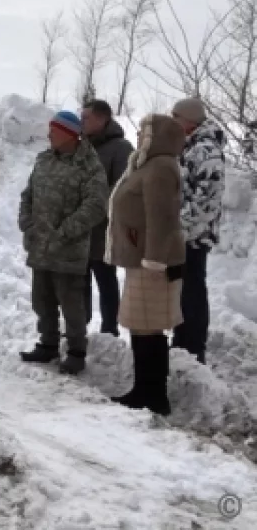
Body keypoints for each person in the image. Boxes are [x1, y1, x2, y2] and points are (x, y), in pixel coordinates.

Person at [105, 113, 187, 416]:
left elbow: (162, 218)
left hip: (154, 262)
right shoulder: (148, 164)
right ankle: (145, 389)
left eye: (144, 131)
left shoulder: (161, 168)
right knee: (141, 325)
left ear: (158, 135)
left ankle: (154, 394)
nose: (139, 135)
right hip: (142, 259)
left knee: (149, 327)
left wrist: (154, 259)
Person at [18, 110, 108, 375]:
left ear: (70, 134)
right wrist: (27, 222)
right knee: (41, 299)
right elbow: (28, 194)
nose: (49, 135)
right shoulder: (44, 159)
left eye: (54, 131)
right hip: (40, 244)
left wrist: (66, 231)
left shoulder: (89, 165)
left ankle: (76, 351)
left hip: (69, 248)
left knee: (71, 303)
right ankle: (47, 344)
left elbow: (96, 205)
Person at [170, 97, 225, 365]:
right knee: (182, 291)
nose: (173, 122)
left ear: (189, 121)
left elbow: (205, 202)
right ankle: (181, 343)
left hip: (194, 237)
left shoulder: (206, 150)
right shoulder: (188, 147)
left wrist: (178, 229)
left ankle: (193, 348)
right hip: (183, 235)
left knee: (192, 292)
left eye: (176, 117)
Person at [80, 99, 134, 336]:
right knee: (78, 279)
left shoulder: (121, 148)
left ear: (102, 119)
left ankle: (109, 330)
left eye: (86, 118)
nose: (82, 122)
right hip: (79, 228)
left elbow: (122, 189)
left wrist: (91, 209)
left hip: (103, 229)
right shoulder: (83, 146)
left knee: (105, 280)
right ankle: (78, 326)